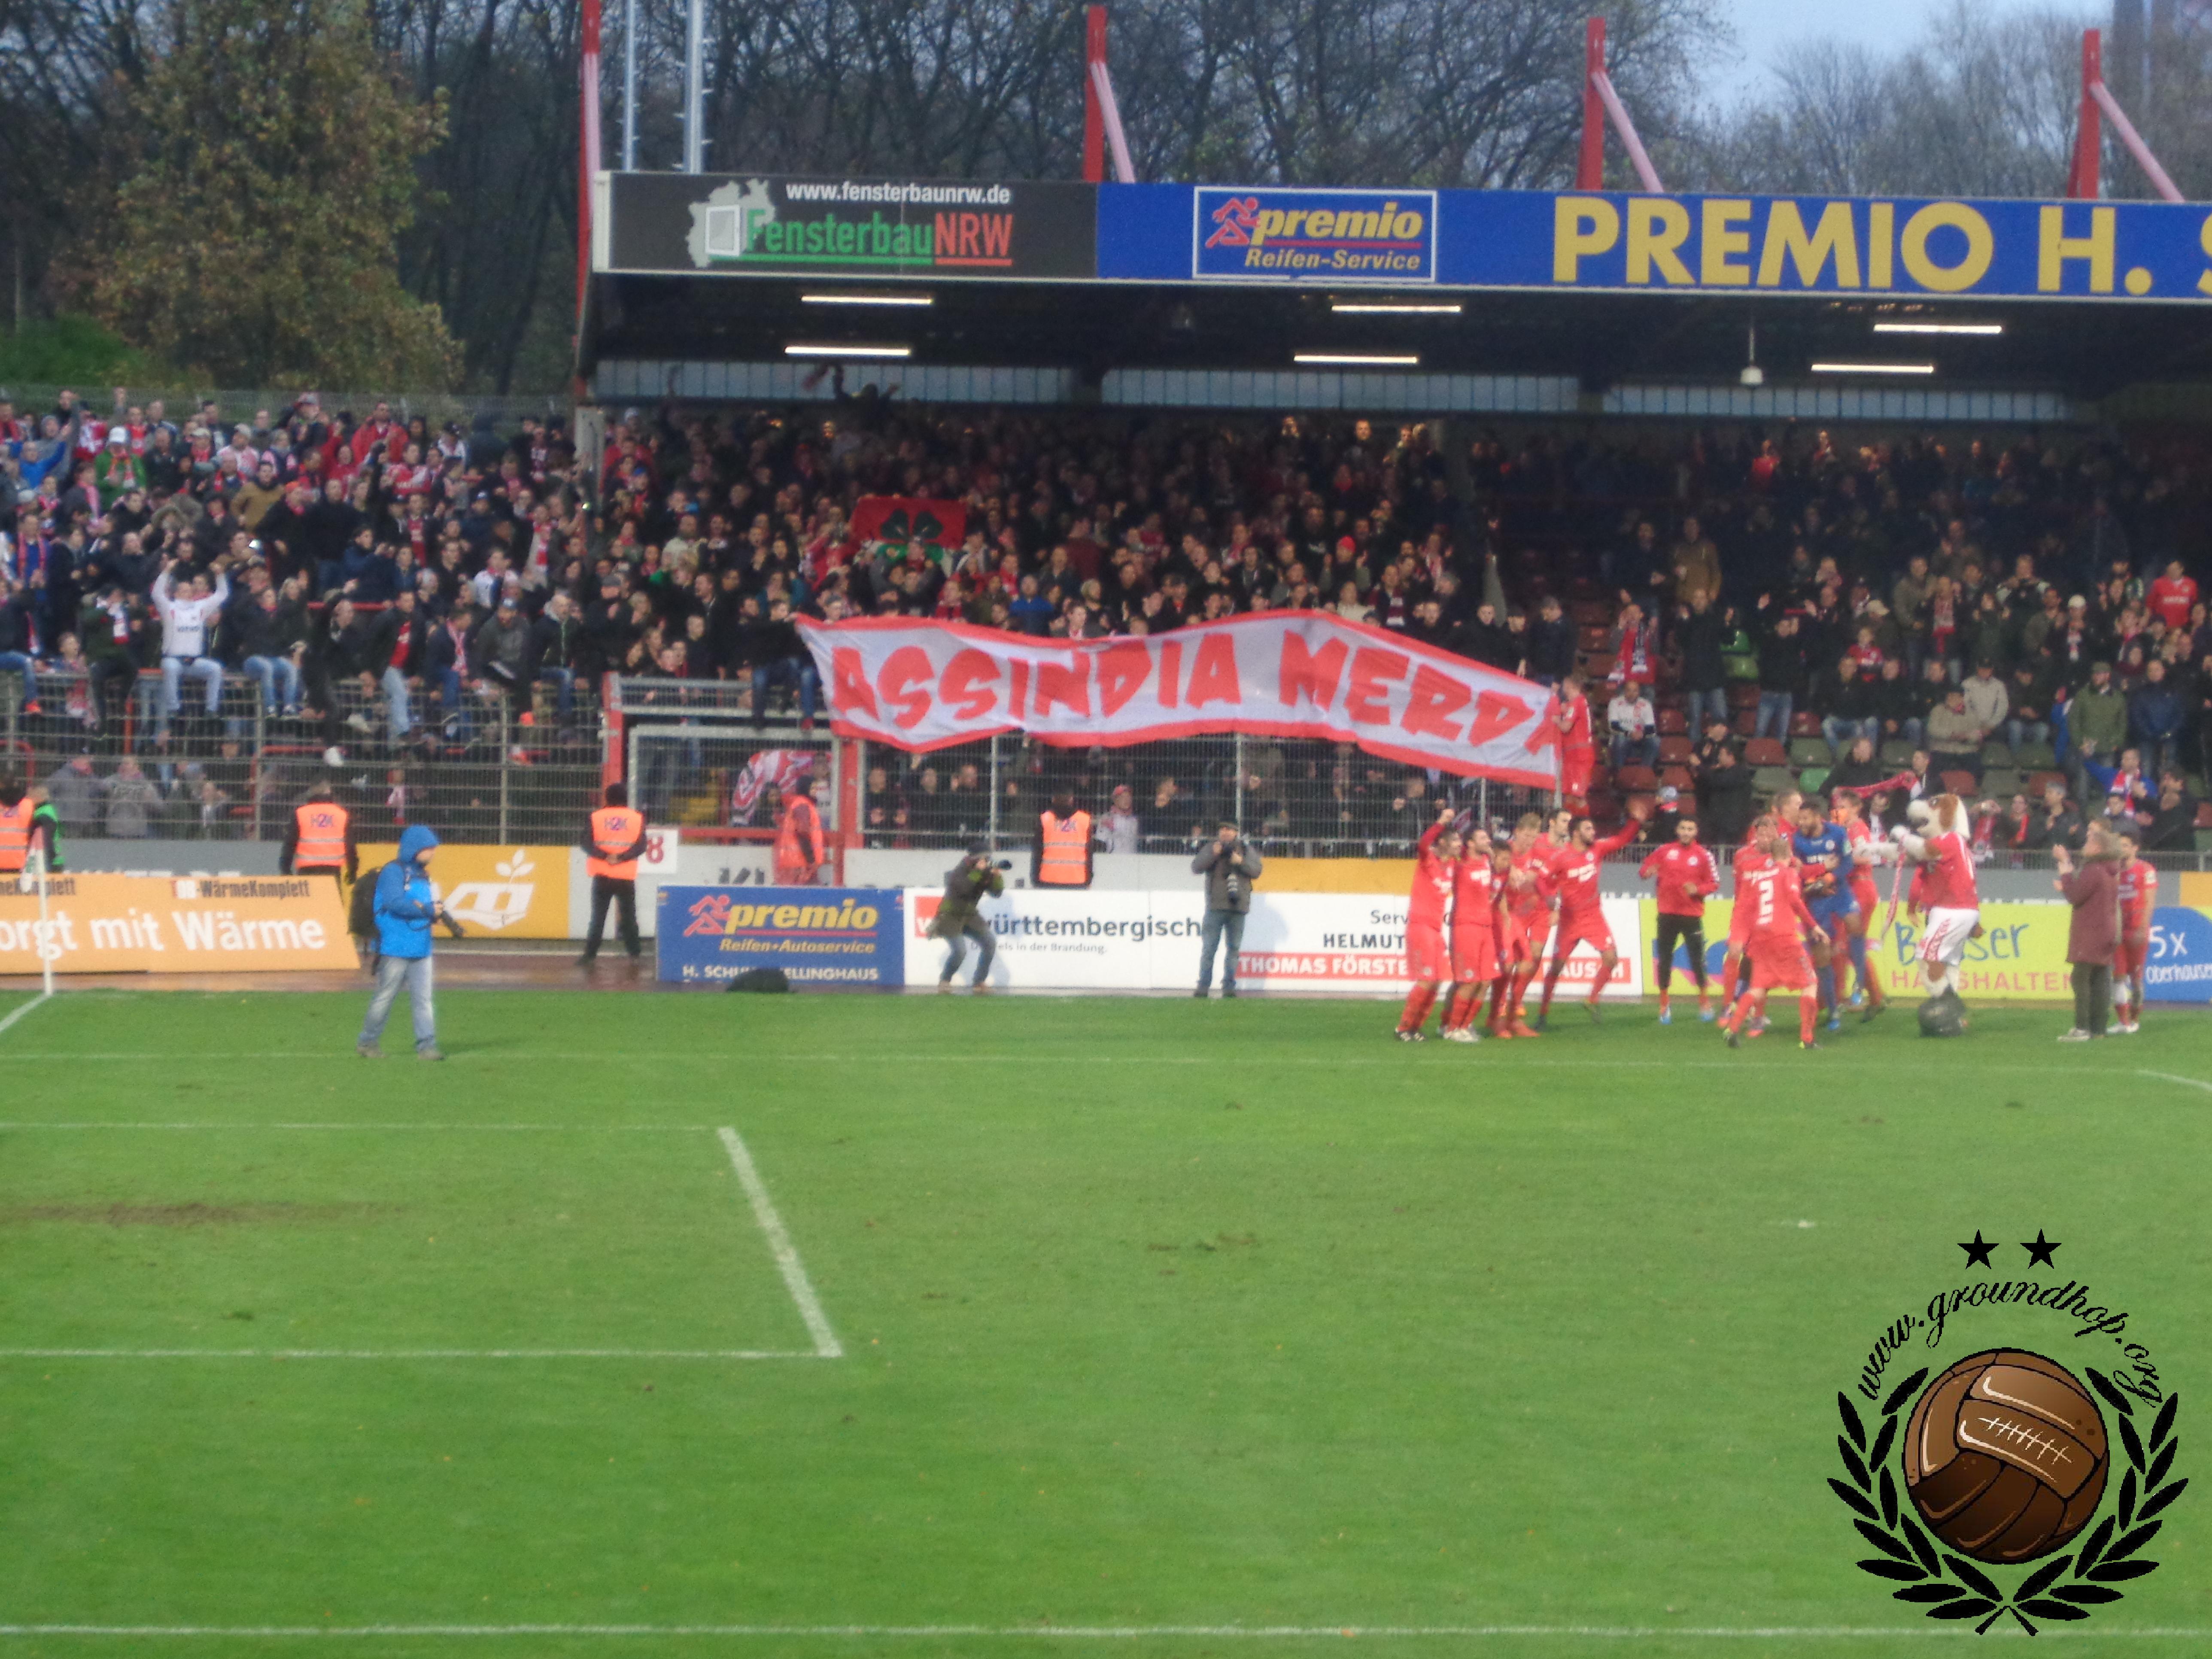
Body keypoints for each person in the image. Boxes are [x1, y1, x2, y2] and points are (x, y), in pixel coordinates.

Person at [1720, 815, 1825, 1052]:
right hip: (1784, 938)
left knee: (1757, 988)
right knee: (1810, 983)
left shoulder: (1759, 879)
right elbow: (1794, 900)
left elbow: (1746, 907)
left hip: (1760, 938)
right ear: (1788, 855)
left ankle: (1733, 1028)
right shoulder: (1788, 873)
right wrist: (1814, 926)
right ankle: (1807, 1038)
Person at [1534, 807, 1644, 1028]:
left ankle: (1592, 999)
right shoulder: (1560, 857)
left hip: (1593, 916)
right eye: (1588, 829)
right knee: (1557, 967)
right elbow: (1540, 879)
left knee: (1611, 958)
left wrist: (1636, 822)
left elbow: (1621, 840)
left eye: (1593, 829)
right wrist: (1549, 898)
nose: (1593, 832)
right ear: (1576, 833)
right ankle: (1543, 1013)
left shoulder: (1597, 849)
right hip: (1570, 920)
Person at [358, 824, 460, 1059]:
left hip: (420, 946)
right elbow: (394, 903)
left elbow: (415, 908)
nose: (433, 853)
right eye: (429, 848)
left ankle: (427, 1045)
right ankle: (367, 1041)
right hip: (394, 947)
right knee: (385, 998)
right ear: (415, 848)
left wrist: (433, 916)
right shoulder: (393, 872)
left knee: (424, 1000)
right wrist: (427, 910)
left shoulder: (422, 875)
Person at [1890, 793, 1981, 1017]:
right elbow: (1908, 855)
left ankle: (1948, 1003)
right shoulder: (1953, 844)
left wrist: (1902, 835)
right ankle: (1952, 1012)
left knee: (1927, 955)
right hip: (1956, 908)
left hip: (1953, 909)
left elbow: (1922, 852)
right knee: (1948, 960)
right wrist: (1873, 849)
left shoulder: (1950, 839)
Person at [1640, 811, 1719, 1024]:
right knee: (1664, 959)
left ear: (1696, 832)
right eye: (1683, 828)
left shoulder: (1704, 855)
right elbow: (1645, 869)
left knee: (1697, 960)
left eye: (1690, 829)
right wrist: (1647, 872)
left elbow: (1714, 883)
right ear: (1677, 830)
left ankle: (1704, 1001)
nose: (1686, 832)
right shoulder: (1664, 851)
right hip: (1666, 913)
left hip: (1691, 915)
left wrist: (1698, 890)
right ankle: (1664, 1004)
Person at [1791, 799, 1860, 1033]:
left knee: (1855, 927)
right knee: (1822, 959)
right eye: (1799, 818)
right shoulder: (1797, 840)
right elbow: (1797, 871)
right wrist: (1815, 882)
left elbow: (1848, 863)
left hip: (1840, 892)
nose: (1801, 823)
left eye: (1805, 818)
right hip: (1815, 902)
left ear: (1817, 817)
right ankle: (1833, 1011)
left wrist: (1830, 878)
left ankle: (1858, 986)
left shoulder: (1838, 834)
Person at [2052, 824, 2121, 1042]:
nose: (2085, 844)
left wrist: (2065, 870)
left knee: (2080, 979)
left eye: (2090, 842)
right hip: (2107, 931)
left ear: (2098, 848)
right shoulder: (2110, 871)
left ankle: (2082, 1029)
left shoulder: (2094, 869)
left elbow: (2075, 896)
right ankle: (2098, 1029)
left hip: (2091, 932)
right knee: (2100, 979)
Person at [1395, 807, 1457, 1039]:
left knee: (1438, 981)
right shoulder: (1427, 859)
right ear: (1442, 843)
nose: (1459, 845)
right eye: (1455, 841)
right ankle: (1403, 1027)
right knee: (1427, 979)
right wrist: (1440, 822)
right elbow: (1423, 844)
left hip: (1436, 929)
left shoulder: (1453, 866)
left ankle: (1416, 1027)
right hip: (1420, 926)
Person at [1439, 819, 1499, 1043]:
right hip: (1466, 927)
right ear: (1471, 843)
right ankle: (1451, 1028)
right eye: (1483, 838)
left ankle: (1464, 1025)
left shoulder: (1486, 862)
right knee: (1468, 981)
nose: (1488, 841)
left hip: (1486, 927)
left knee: (1486, 981)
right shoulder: (1459, 865)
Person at [578, 781, 647, 965]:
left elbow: (585, 843)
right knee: (629, 918)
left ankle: (590, 955)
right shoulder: (636, 818)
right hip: (625, 876)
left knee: (598, 918)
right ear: (626, 798)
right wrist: (622, 857)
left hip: (602, 875)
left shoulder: (596, 817)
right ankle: (635, 954)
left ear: (607, 798)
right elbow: (641, 846)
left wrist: (605, 856)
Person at [1192, 819, 1262, 999]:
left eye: (1230, 830)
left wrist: (1241, 862)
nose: (1226, 832)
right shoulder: (1212, 848)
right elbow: (1196, 867)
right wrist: (1213, 855)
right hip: (1216, 906)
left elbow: (1257, 871)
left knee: (1234, 950)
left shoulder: (1246, 850)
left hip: (1238, 906)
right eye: (1223, 829)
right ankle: (1203, 986)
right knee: (1209, 948)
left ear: (1236, 832)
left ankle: (1229, 986)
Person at [931, 841, 1006, 991]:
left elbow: (996, 893)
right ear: (975, 859)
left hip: (970, 915)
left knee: (990, 943)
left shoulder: (984, 872)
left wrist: (997, 877)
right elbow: (964, 889)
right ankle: (945, 980)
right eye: (984, 858)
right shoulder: (959, 871)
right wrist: (978, 872)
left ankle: (979, 982)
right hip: (950, 915)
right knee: (960, 951)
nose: (987, 861)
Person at [2111, 827, 2155, 1035]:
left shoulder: (2146, 870)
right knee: (2118, 976)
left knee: (2136, 979)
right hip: (2118, 930)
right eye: (2119, 845)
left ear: (2135, 848)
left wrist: (2143, 929)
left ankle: (2135, 1019)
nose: (2122, 849)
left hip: (2137, 930)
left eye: (2126, 846)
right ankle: (2123, 1021)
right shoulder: (2113, 871)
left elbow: (2149, 902)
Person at [280, 782, 356, 884]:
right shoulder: (342, 814)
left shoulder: (300, 813)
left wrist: (285, 868)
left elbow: (290, 843)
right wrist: (353, 870)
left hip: (307, 869)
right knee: (330, 894)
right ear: (330, 793)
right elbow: (350, 845)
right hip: (332, 870)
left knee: (310, 895)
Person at [1033, 791, 1097, 888]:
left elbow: (1038, 852)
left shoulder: (1045, 819)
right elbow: (1089, 853)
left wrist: (1036, 879)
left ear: (1053, 800)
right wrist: (1088, 879)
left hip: (1048, 879)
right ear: (1071, 800)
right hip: (1078, 880)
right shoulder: (1084, 820)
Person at [773, 776, 826, 887]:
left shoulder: (798, 804)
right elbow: (803, 832)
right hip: (801, 863)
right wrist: (811, 860)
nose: (816, 791)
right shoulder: (803, 806)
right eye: (813, 788)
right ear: (805, 789)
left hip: (795, 862)